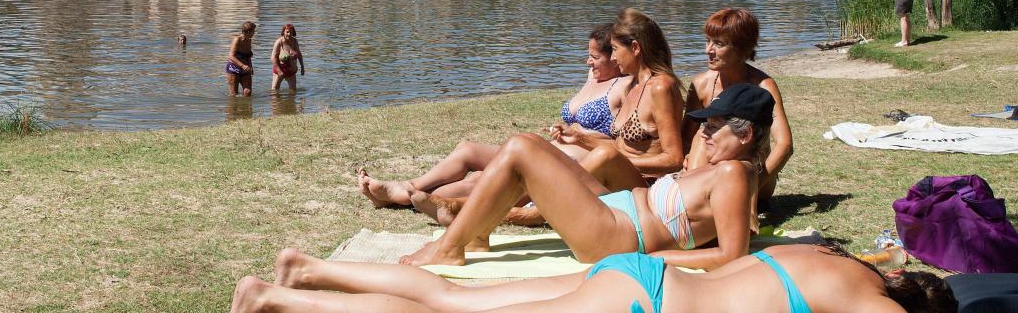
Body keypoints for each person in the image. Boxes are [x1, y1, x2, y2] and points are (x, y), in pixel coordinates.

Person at [399, 83, 775, 271]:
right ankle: (477, 233)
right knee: (531, 144)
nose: (704, 134)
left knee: (519, 149)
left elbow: (732, 254)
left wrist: (655, 261)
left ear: (745, 135)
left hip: (617, 236)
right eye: (705, 125)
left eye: (714, 127)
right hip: (617, 211)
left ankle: (451, 247)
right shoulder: (730, 169)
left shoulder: (732, 173)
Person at [408, 9, 686, 227]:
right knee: (534, 148)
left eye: (615, 50)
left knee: (602, 158)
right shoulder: (634, 86)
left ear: (636, 48)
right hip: (616, 174)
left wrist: (616, 158)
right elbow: (623, 146)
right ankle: (466, 207)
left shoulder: (661, 87)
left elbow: (674, 159)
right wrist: (583, 139)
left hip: (643, 187)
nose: (612, 57)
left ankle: (511, 213)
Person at [357, 24, 631, 210]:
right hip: (553, 150)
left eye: (595, 57)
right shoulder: (593, 77)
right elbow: (578, 118)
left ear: (616, 57)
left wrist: (581, 136)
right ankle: (409, 187)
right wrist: (565, 129)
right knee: (468, 150)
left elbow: (623, 143)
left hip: (576, 163)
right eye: (588, 55)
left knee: (485, 179)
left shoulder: (624, 86)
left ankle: (407, 199)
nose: (588, 62)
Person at [230, 243, 957, 313]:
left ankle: (309, 268)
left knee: (457, 298)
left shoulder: (827, 259)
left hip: (639, 276)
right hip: (643, 303)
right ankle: (275, 300)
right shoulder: (870, 304)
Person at [682, 8, 792, 205]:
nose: (708, 50)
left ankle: (697, 201)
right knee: (702, 134)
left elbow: (784, 145)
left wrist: (752, 185)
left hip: (753, 174)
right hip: (710, 170)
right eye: (707, 41)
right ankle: (693, 200)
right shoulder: (701, 85)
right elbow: (685, 139)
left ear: (742, 48)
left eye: (718, 43)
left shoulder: (763, 86)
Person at [271, 24, 305, 92]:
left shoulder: (295, 41)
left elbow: (299, 54)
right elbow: (273, 58)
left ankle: (291, 102)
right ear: (283, 32)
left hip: (291, 69)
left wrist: (302, 67)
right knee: (275, 91)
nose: (289, 34)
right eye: (287, 32)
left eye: (291, 32)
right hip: (280, 68)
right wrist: (279, 71)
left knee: (293, 91)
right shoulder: (279, 42)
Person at [227, 21, 256, 97]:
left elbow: (248, 56)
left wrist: (251, 67)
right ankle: (233, 108)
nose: (254, 33)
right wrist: (243, 65)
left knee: (248, 92)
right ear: (248, 31)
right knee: (234, 94)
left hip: (246, 68)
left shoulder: (249, 40)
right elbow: (231, 56)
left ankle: (246, 109)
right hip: (234, 68)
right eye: (253, 31)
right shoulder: (237, 39)